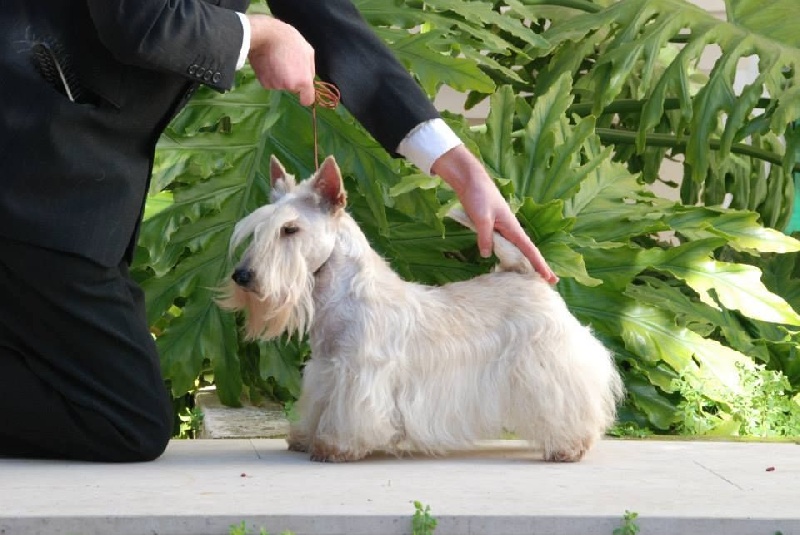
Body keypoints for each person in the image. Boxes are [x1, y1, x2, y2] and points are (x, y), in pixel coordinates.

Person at [0, 0, 556, 462]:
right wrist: (259, 34)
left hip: (64, 180)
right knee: (127, 419)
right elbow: (137, 17)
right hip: (35, 164)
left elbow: (332, 25)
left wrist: (462, 170)